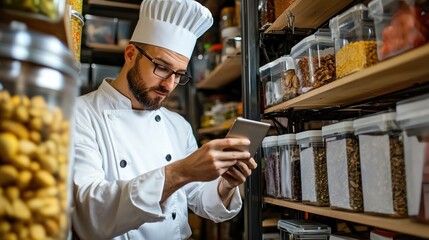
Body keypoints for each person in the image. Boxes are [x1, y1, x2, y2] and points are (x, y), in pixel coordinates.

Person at [71, 0, 257, 239]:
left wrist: (226, 184)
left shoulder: (178, 126)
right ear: (130, 54)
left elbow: (199, 199)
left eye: (179, 74)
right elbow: (90, 213)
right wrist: (179, 172)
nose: (169, 85)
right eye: (161, 67)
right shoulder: (80, 114)